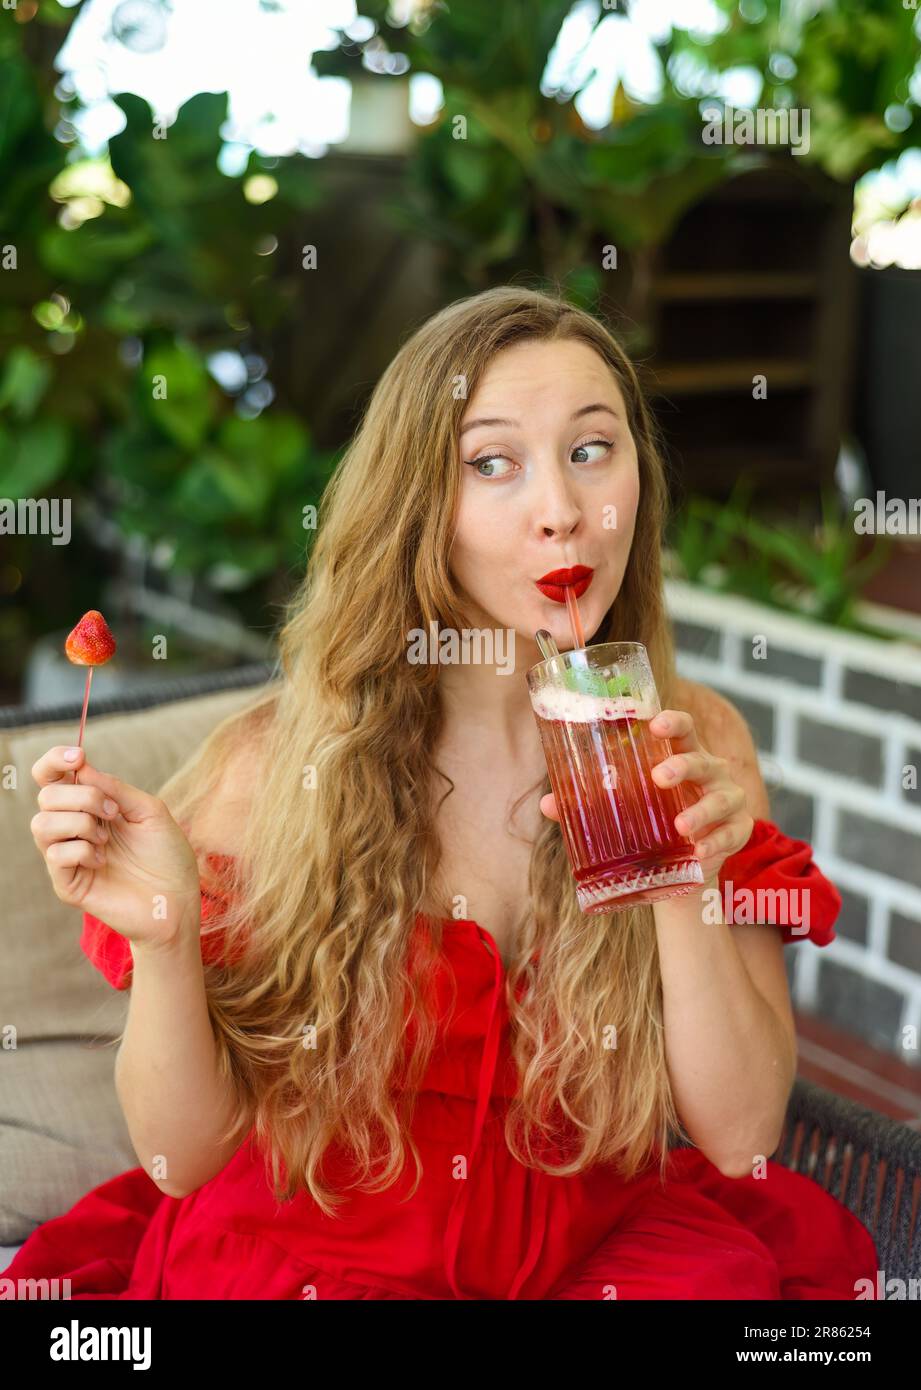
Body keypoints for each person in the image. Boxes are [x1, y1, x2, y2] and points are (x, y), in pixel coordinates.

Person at [11, 286, 877, 1300]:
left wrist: (684, 885)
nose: (562, 508)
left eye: (592, 449)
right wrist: (166, 942)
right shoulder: (279, 766)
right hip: (320, 1254)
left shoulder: (698, 739)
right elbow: (178, 1161)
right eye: (493, 462)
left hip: (587, 1249)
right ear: (420, 503)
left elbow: (740, 1137)